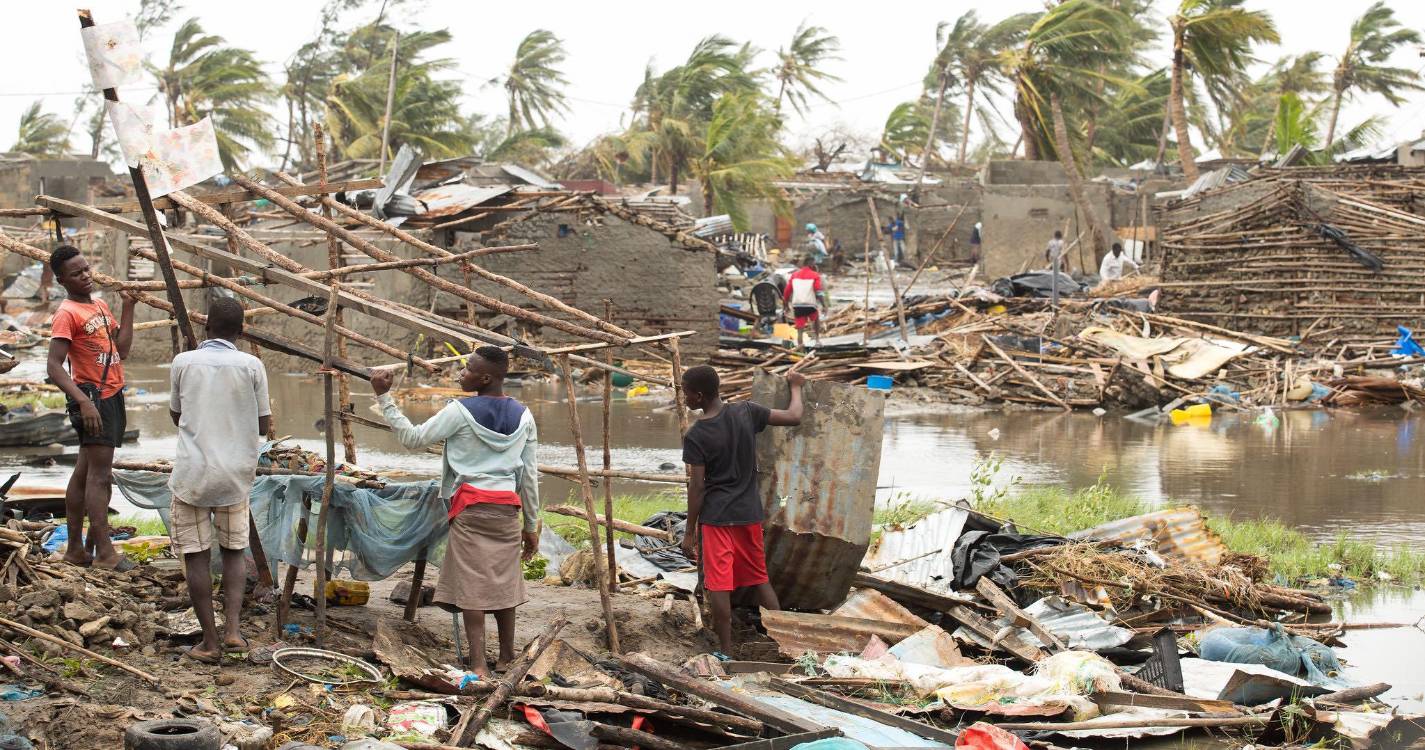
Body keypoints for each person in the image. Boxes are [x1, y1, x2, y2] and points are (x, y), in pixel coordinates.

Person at [371, 346, 538, 678]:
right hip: (506, 508)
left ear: (486, 377)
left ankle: (478, 664)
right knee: (504, 582)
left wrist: (385, 398)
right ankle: (506, 657)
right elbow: (528, 476)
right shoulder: (525, 415)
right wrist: (531, 525)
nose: (460, 373)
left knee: (472, 585)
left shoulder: (459, 411)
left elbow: (413, 438)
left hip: (471, 507)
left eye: (468, 369)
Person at [167, 297, 271, 663]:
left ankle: (209, 643)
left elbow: (176, 414)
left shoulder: (184, 362)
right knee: (233, 552)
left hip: (192, 475)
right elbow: (263, 424)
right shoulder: (251, 366)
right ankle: (232, 632)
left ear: (205, 326)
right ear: (240, 332)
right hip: (235, 475)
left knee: (196, 557)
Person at [679, 366, 806, 658]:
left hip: (717, 518)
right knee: (759, 579)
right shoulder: (746, 412)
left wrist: (689, 533)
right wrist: (796, 387)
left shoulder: (696, 434)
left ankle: (726, 651)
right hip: (748, 514)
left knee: (719, 583)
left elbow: (697, 488)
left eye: (685, 392)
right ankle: (789, 644)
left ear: (699, 395)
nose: (684, 397)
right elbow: (794, 416)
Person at [45, 245, 136, 570]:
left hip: (112, 394)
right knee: (100, 476)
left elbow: (121, 350)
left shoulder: (98, 305)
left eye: (86, 269)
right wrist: (84, 402)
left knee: (85, 472)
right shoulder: (67, 313)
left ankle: (76, 549)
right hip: (92, 398)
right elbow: (54, 366)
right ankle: (105, 553)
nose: (85, 276)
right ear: (61, 280)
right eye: (76, 273)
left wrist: (128, 308)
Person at [782, 255, 827, 350]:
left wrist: (785, 305)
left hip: (797, 305)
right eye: (814, 263)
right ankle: (817, 340)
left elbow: (787, 291)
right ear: (811, 264)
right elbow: (818, 291)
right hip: (810, 304)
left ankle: (800, 345)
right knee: (815, 320)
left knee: (800, 326)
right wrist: (824, 305)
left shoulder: (794, 275)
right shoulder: (815, 275)